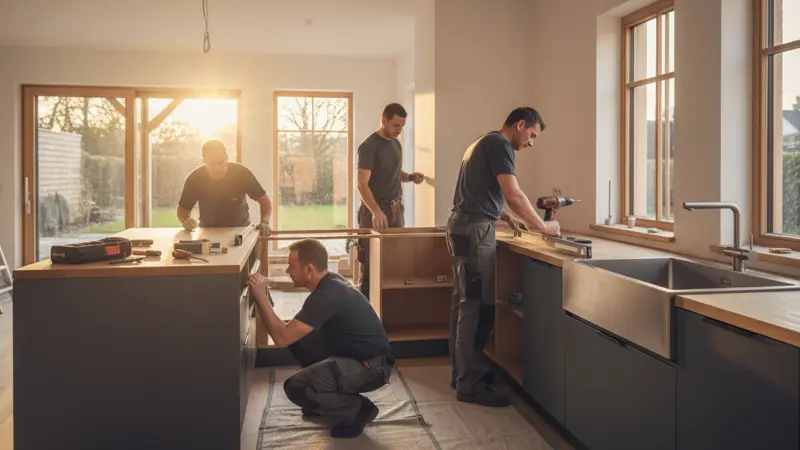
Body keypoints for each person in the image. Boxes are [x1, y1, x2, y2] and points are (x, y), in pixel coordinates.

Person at [446, 107, 560, 407]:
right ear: (520, 125)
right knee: (478, 307)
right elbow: (513, 192)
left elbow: (482, 190)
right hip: (474, 231)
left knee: (464, 304)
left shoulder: (482, 142)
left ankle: (461, 374)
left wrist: (506, 217)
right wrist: (543, 226)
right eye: (532, 135)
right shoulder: (501, 145)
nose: (531, 142)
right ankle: (470, 385)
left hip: (463, 226)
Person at [248, 239, 394, 439]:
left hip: (372, 367)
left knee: (297, 387)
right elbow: (289, 333)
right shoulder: (330, 284)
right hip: (358, 358)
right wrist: (264, 297)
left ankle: (359, 411)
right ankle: (322, 398)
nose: (287, 270)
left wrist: (261, 299)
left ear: (309, 269)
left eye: (291, 265)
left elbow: (281, 337)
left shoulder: (326, 296)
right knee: (299, 339)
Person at [356, 103, 425, 298]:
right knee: (371, 266)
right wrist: (376, 211)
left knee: (395, 264)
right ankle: (367, 317)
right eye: (395, 125)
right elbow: (362, 184)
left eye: (402, 126)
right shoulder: (368, 147)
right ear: (383, 120)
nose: (399, 131)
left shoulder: (396, 144)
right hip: (374, 213)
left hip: (396, 211)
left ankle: (391, 314)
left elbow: (394, 174)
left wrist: (410, 177)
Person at [176, 140, 273, 236]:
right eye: (212, 163)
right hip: (208, 232)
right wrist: (185, 220)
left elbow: (264, 201)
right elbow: (182, 209)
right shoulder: (195, 179)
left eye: (221, 162)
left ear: (226, 157)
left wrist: (264, 222)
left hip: (241, 231)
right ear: (204, 161)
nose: (217, 168)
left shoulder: (242, 173)